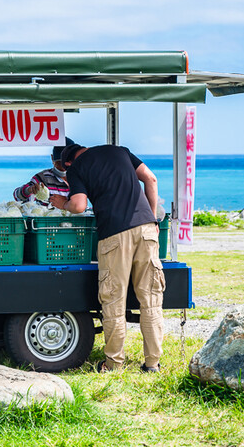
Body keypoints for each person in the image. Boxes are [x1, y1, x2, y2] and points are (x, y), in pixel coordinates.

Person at [50, 143, 165, 373]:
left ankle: (114, 364)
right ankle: (152, 364)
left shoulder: (77, 168)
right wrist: (152, 218)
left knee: (114, 300)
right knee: (151, 298)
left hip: (114, 234)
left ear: (68, 162)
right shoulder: (119, 150)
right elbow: (151, 179)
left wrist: (60, 203)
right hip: (147, 230)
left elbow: (79, 205)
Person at [13, 137, 74, 204]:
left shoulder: (81, 178)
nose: (65, 165)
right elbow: (17, 197)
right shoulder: (43, 178)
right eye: (60, 161)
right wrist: (29, 190)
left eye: (68, 161)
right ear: (52, 158)